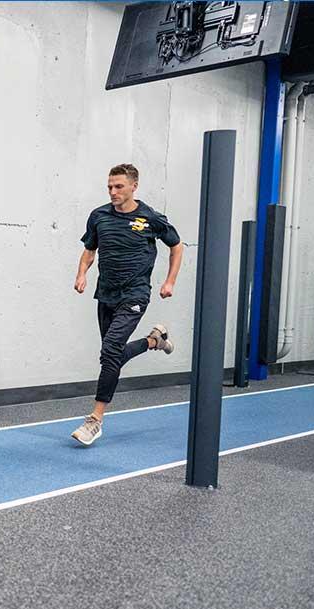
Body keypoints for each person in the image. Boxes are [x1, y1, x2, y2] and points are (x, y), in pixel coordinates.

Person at [71, 163, 183, 446]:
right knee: (112, 356)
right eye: (109, 186)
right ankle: (154, 341)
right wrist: (81, 273)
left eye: (119, 186)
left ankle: (94, 421)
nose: (113, 191)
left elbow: (177, 246)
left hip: (135, 294)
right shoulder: (98, 216)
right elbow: (89, 250)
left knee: (109, 351)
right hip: (105, 294)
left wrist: (169, 281)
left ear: (134, 186)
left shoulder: (151, 218)